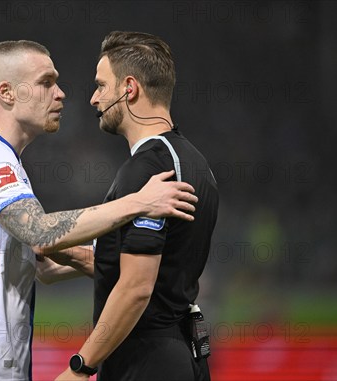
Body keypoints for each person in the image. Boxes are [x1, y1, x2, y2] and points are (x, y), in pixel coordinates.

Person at [0, 40, 199, 381]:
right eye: (45, 82)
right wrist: (139, 203)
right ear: (7, 93)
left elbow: (45, 265)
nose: (61, 94)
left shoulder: (3, 162)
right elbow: (40, 232)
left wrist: (132, 259)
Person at [53, 31, 219, 381]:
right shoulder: (195, 161)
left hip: (146, 359)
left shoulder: (147, 169)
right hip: (182, 353)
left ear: (129, 88)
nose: (94, 98)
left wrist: (81, 367)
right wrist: (75, 256)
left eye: (101, 85)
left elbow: (137, 288)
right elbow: (157, 270)